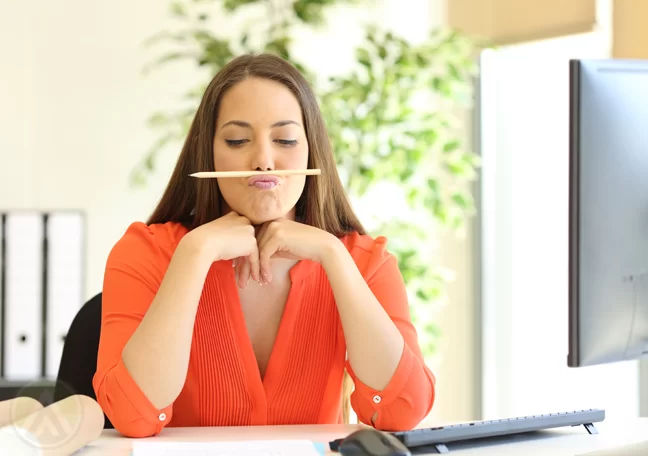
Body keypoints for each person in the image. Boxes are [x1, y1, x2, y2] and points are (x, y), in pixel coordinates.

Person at [92, 53, 436, 439]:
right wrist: (194, 253)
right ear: (209, 152)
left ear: (312, 150)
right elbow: (132, 415)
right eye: (237, 140)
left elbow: (401, 411)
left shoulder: (365, 261)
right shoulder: (145, 251)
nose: (263, 161)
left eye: (285, 139)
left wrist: (334, 257)